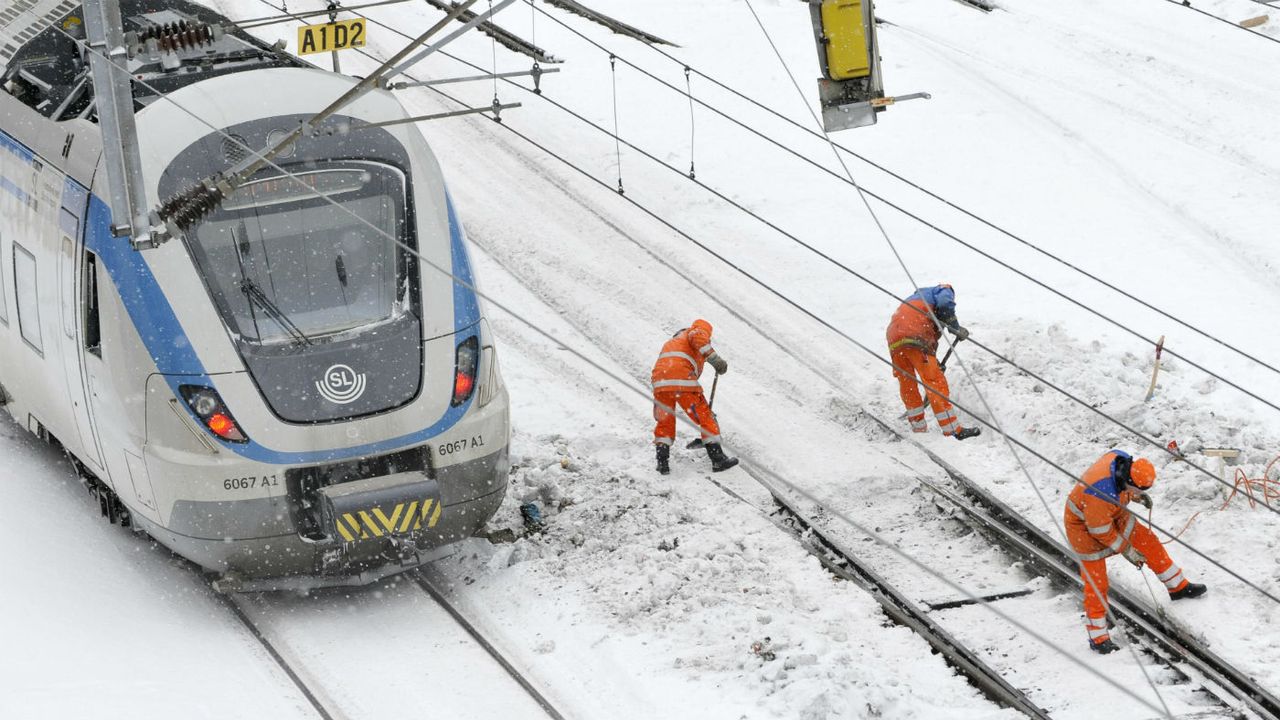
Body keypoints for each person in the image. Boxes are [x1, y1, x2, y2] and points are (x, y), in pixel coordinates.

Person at [1064, 450, 1207, 653]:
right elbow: (1100, 531)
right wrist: (1127, 550)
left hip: (1113, 512)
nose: (1139, 493)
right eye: (1137, 490)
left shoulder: (1121, 461)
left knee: (1148, 542)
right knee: (1097, 583)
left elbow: (1121, 488)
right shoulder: (1099, 493)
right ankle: (1098, 638)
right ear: (1129, 479)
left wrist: (1136, 497)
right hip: (1084, 529)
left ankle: (1178, 587)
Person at [885, 284, 979, 440]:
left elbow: (931, 328)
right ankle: (953, 429)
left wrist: (934, 360)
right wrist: (955, 328)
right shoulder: (943, 290)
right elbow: (945, 304)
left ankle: (918, 427)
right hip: (914, 333)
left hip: (894, 337)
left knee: (907, 382)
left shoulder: (916, 301)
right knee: (934, 381)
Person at [651, 319, 737, 474]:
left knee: (665, 420)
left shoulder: (674, 343)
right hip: (681, 380)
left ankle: (662, 462)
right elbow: (697, 336)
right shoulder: (694, 332)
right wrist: (716, 360)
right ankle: (718, 459)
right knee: (705, 416)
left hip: (660, 382)